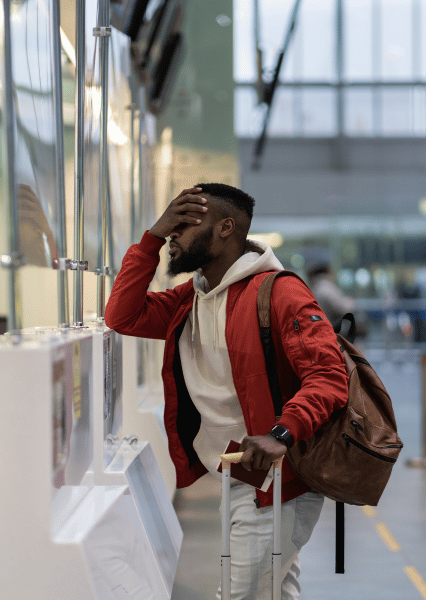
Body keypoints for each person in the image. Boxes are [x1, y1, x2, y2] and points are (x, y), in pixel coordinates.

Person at [105, 184, 348, 599]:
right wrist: (149, 238)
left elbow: (329, 374)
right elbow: (122, 315)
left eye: (182, 225)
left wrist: (281, 434)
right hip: (239, 472)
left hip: (279, 478)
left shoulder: (279, 292)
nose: (171, 236)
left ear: (225, 228)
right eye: (170, 226)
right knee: (271, 593)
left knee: (241, 594)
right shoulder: (192, 298)